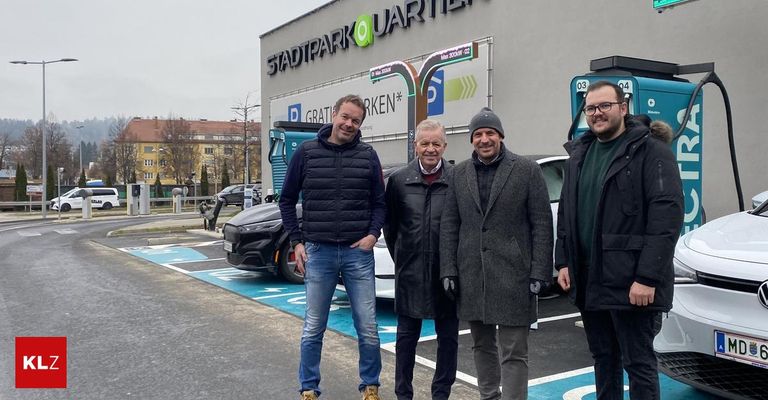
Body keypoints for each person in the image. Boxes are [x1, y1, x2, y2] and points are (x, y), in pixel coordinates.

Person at [555, 81, 683, 400]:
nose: (597, 114)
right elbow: (568, 214)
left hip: (631, 282)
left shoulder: (651, 151)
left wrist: (647, 277)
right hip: (588, 277)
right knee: (603, 359)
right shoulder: (579, 155)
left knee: (637, 362)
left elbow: (666, 217)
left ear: (623, 108)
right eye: (591, 108)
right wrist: (563, 261)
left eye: (604, 106)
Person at [440, 107, 553, 400]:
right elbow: (450, 223)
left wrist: (540, 270)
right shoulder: (459, 173)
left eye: (490, 133)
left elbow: (541, 222)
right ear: (471, 139)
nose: (484, 139)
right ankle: (489, 396)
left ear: (501, 136)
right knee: (481, 345)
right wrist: (449, 269)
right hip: (472, 274)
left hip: (514, 274)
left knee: (515, 352)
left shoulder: (527, 170)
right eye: (478, 134)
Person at [279, 94, 386, 400]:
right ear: (333, 114)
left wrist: (373, 234)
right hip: (319, 252)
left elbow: (379, 203)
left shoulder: (368, 156)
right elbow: (286, 200)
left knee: (368, 327)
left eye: (356, 120)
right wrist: (296, 241)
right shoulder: (306, 153)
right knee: (313, 327)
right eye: (345, 117)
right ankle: (309, 388)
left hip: (358, 254)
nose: (349, 124)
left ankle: (370, 386)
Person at [384, 119, 458, 400]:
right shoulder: (399, 181)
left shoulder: (457, 178)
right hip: (410, 273)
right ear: (415, 146)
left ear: (444, 146)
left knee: (448, 340)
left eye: (436, 143)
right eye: (424, 143)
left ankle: (441, 394)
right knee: (405, 341)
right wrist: (403, 256)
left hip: (447, 273)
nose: (430, 149)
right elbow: (390, 228)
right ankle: (403, 394)